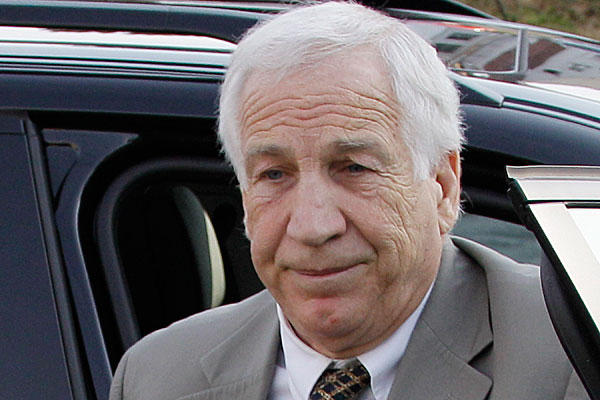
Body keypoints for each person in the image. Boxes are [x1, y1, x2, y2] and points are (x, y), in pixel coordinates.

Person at [109, 2, 588, 399]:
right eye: (274, 175)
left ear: (442, 186)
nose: (313, 226)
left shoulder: (579, 356)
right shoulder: (158, 378)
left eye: (354, 167)